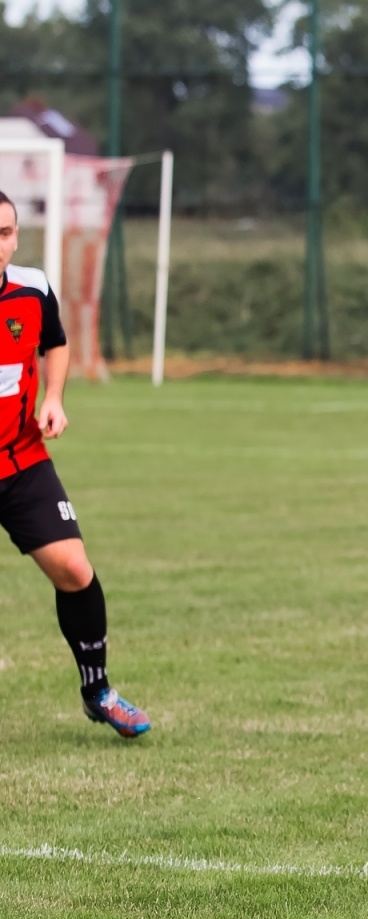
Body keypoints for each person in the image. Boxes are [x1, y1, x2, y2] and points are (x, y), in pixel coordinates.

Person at [0, 190, 149, 738]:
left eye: (5, 233)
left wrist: (54, 398)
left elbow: (55, 343)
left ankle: (98, 691)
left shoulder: (33, 289)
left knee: (73, 569)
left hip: (21, 459)